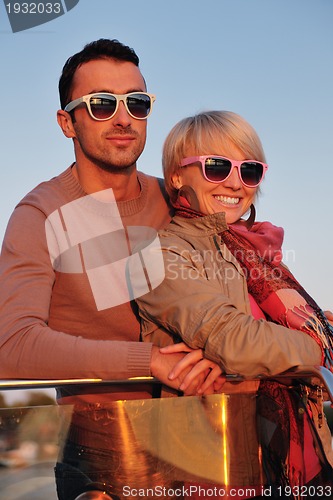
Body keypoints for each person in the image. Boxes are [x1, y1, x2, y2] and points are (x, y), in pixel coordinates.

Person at [0, 39, 218, 499]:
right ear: (67, 122)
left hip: (207, 447)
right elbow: (12, 344)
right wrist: (148, 363)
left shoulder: (180, 201)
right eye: (100, 104)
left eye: (136, 103)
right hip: (99, 464)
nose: (123, 118)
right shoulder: (40, 213)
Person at [135, 110, 333, 496]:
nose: (235, 182)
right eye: (217, 166)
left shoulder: (253, 252)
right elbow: (235, 340)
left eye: (250, 171)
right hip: (212, 468)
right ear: (177, 175)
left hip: (289, 463)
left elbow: (264, 337)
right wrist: (323, 345)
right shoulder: (159, 255)